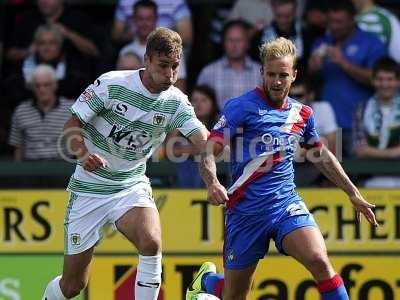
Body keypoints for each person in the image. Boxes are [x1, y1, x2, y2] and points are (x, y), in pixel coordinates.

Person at [186, 37, 378, 300]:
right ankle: (208, 281)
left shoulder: (303, 114)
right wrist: (212, 182)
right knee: (234, 295)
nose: (277, 81)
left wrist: (352, 192)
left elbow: (320, 155)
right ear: (262, 72)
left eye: (283, 75)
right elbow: (209, 150)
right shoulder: (241, 107)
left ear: (294, 75)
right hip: (246, 213)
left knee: (320, 262)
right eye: (272, 74)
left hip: (285, 205)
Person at [41, 27, 208, 300]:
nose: (169, 75)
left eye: (175, 67)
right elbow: (72, 124)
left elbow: (203, 141)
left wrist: (212, 179)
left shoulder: (176, 102)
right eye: (163, 66)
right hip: (90, 187)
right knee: (73, 287)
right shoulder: (111, 84)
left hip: (130, 185)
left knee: (151, 242)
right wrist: (83, 154)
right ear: (147, 60)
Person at [308, 0, 386, 155]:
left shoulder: (371, 42)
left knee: (358, 174)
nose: (334, 26)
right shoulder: (321, 42)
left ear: (353, 19)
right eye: (330, 21)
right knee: (327, 174)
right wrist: (312, 68)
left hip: (358, 123)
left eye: (339, 22)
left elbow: (379, 80)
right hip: (326, 125)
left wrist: (344, 63)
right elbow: (309, 83)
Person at [118, 0, 187, 91]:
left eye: (149, 19)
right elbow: (119, 86)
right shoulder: (125, 51)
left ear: (156, 19)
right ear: (134, 20)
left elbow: (180, 88)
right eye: (140, 19)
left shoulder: (171, 49)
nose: (144, 23)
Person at [8, 64, 73, 161]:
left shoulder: (71, 109)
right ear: (32, 87)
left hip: (62, 167)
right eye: (37, 86)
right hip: (30, 167)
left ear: (54, 85)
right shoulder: (21, 110)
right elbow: (18, 146)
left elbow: (81, 142)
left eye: (46, 85)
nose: (42, 89)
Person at [353, 57, 400, 187]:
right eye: (380, 79)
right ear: (373, 81)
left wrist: (372, 151)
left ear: (398, 81)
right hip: (369, 178)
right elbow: (360, 150)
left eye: (390, 79)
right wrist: (394, 152)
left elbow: (367, 151)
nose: (384, 84)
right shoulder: (363, 108)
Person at [197, 20, 261, 110]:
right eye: (230, 40)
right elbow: (198, 109)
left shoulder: (261, 73)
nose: (234, 45)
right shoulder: (208, 72)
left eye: (239, 40)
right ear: (223, 43)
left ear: (248, 44)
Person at [174, 85, 220, 188]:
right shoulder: (182, 119)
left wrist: (186, 150)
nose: (198, 104)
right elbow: (171, 150)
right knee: (186, 162)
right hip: (186, 167)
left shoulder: (220, 120)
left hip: (218, 168)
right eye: (195, 100)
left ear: (213, 104)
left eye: (204, 100)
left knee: (202, 159)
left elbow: (220, 150)